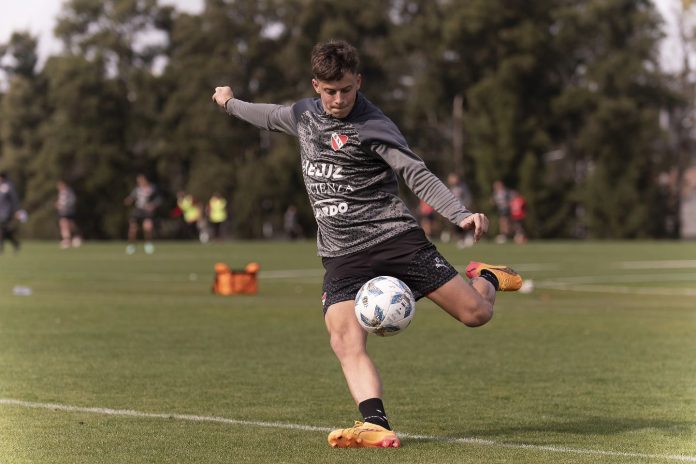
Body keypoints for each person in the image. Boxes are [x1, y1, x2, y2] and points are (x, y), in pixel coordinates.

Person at [212, 40, 523, 449]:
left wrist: (459, 213)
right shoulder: (305, 115)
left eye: (346, 89)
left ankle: (486, 276)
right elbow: (268, 116)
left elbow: (416, 173)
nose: (338, 99)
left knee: (476, 314)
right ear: (316, 86)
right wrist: (230, 103)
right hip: (341, 254)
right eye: (329, 91)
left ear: (358, 81)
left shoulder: (374, 125)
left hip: (394, 240)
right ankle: (375, 423)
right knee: (343, 339)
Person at [124, 174, 160, 254]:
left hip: (147, 212)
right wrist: (128, 200)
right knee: (133, 228)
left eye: (141, 180)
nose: (140, 182)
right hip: (138, 210)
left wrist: (152, 205)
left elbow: (158, 199)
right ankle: (131, 245)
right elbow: (132, 197)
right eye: (138, 181)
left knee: (148, 227)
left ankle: (148, 244)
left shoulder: (152, 188)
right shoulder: (137, 189)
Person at [444, 173, 474, 248]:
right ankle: (461, 239)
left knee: (465, 224)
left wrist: (466, 206)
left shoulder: (462, 187)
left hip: (462, 208)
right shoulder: (449, 188)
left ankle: (468, 237)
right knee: (456, 225)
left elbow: (467, 197)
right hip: (453, 210)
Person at [55, 180, 82, 249]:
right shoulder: (63, 192)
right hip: (65, 212)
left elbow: (68, 202)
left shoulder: (67, 192)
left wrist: (59, 205)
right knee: (65, 225)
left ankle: (69, 240)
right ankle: (70, 239)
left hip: (67, 211)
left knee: (67, 225)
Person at [0, 171, 22, 254]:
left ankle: (1, 248)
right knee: (5, 231)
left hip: (7, 212)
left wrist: (17, 210)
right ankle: (16, 243)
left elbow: (14, 199)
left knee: (2, 229)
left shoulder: (8, 186)